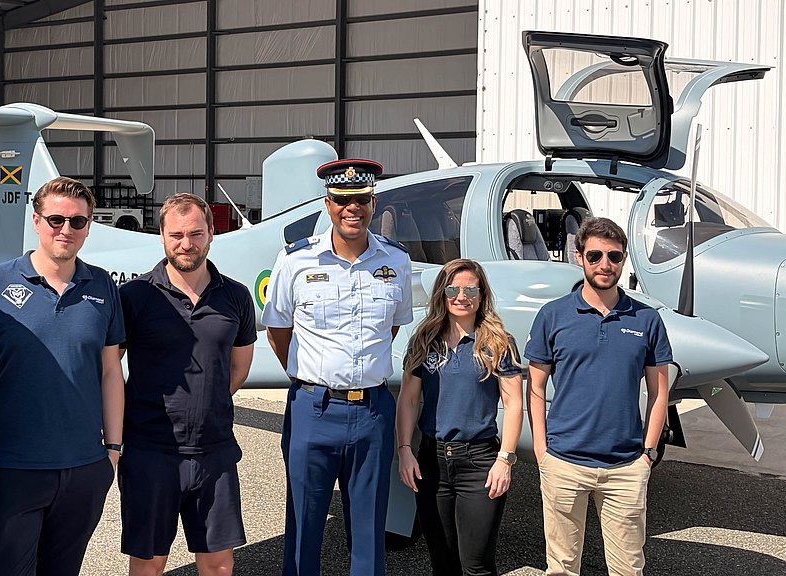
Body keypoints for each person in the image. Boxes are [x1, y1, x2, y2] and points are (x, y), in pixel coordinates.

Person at [0, 176, 126, 576]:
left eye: (78, 222)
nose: (66, 229)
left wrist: (113, 450)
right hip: (15, 466)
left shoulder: (101, 285)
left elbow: (110, 371)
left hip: (85, 466)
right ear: (36, 221)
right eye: (55, 220)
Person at [262, 159, 414, 576]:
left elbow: (393, 324)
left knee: (369, 532)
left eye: (361, 199)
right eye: (342, 200)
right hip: (314, 409)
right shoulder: (296, 261)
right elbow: (278, 330)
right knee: (303, 525)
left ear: (373, 201)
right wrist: (309, 376)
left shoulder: (396, 262)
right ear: (327, 204)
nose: (353, 208)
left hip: (372, 411)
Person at [117, 192, 256, 576]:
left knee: (219, 566)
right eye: (176, 234)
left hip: (214, 452)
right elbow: (109, 368)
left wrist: (205, 399)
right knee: (148, 564)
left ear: (212, 233)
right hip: (150, 452)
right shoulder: (136, 297)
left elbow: (239, 367)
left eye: (196, 233)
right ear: (161, 235)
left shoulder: (236, 296)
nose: (186, 243)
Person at [524, 217, 672, 576]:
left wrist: (647, 455)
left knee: (628, 569)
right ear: (579, 257)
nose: (605, 264)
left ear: (623, 261)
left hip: (625, 467)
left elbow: (659, 392)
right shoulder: (552, 315)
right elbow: (535, 387)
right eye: (595, 255)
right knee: (561, 568)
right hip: (563, 462)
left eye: (614, 256)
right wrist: (543, 453)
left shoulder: (647, 319)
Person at [396, 258, 523, 576]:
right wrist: (405, 451)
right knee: (442, 562)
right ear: (442, 292)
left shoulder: (498, 344)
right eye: (453, 288)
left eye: (470, 289)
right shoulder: (424, 340)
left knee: (476, 565)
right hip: (431, 461)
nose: (461, 296)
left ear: (482, 295)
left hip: (479, 462)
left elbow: (513, 402)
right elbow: (409, 400)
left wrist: (505, 460)